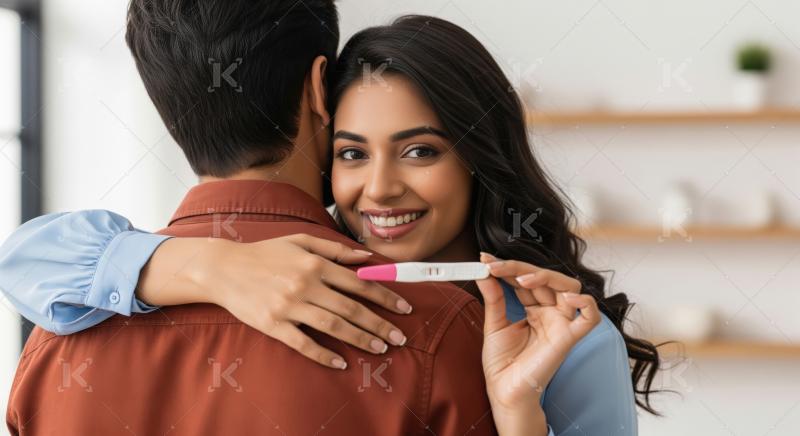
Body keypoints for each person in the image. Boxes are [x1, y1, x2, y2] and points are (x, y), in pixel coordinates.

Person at [0, 9, 663, 436]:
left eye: (420, 151)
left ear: (478, 156)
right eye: (351, 153)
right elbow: (23, 258)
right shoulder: (299, 272)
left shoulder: (564, 339)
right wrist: (212, 266)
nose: (379, 188)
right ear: (320, 102)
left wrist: (519, 415)